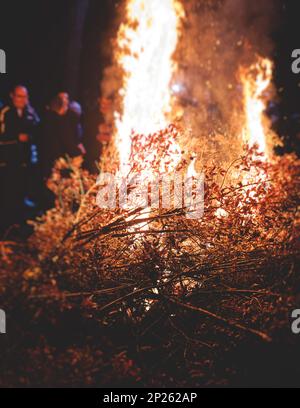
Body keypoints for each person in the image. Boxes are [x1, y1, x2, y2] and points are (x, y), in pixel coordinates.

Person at [0, 85, 39, 231]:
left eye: (25, 96)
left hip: (25, 161)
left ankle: (19, 224)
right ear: (12, 96)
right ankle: (6, 225)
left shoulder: (30, 113)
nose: (22, 100)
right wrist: (16, 137)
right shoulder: (5, 112)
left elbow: (38, 131)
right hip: (8, 162)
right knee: (7, 193)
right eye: (19, 96)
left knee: (21, 192)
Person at [40, 92, 84, 179]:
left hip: (57, 160)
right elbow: (66, 141)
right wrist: (78, 152)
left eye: (66, 99)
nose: (66, 103)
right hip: (58, 161)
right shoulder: (55, 122)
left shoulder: (70, 116)